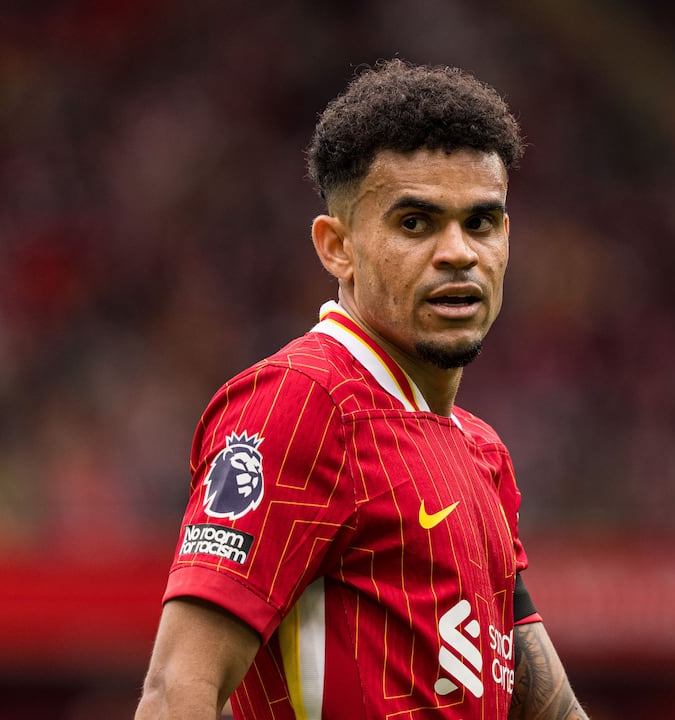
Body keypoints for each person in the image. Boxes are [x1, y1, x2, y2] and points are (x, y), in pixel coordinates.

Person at [135, 59, 589, 720]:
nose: (459, 251)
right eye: (416, 223)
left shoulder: (480, 453)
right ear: (337, 247)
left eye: (482, 222)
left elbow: (549, 709)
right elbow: (177, 691)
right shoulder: (301, 403)